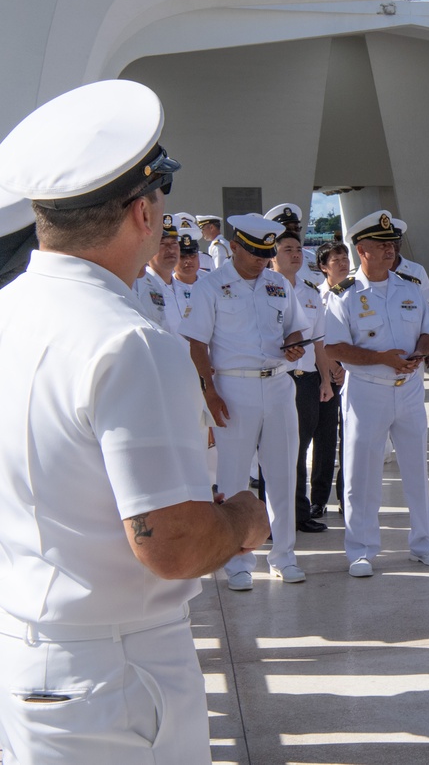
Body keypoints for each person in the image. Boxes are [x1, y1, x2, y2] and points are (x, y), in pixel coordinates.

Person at [0, 79, 269, 764]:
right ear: (143, 214)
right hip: (117, 674)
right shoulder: (128, 341)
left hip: (27, 659)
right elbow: (171, 544)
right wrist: (242, 519)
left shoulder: (12, 313)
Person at [181, 213, 309, 591]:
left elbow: (294, 327)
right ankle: (237, 561)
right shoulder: (211, 286)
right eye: (253, 252)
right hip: (233, 389)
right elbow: (195, 343)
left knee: (284, 473)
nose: (260, 259)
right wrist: (208, 390)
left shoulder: (277, 285)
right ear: (234, 247)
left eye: (265, 252)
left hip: (279, 386)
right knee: (234, 477)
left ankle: (284, 555)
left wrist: (295, 346)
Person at [325, 209, 429, 577]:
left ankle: (423, 543)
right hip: (367, 391)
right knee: (361, 473)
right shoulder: (343, 295)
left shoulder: (408, 286)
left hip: (409, 389)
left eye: (392, 244)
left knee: (416, 468)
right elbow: (335, 347)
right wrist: (380, 359)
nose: (390, 250)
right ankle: (361, 550)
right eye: (381, 245)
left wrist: (421, 354)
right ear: (362, 250)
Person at [271, 231, 336, 533]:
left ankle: (299, 513)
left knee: (301, 448)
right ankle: (271, 518)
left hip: (307, 380)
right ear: (273, 256)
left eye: (298, 249)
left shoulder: (311, 293)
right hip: (276, 379)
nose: (295, 255)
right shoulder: (266, 290)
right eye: (287, 250)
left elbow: (319, 343)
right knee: (273, 451)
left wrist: (325, 380)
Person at [312, 241, 350, 517]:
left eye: (345, 257)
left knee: (350, 439)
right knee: (325, 440)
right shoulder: (314, 296)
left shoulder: (360, 293)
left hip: (354, 373)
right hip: (325, 374)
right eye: (335, 259)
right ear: (324, 267)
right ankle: (318, 498)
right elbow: (315, 337)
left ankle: (347, 496)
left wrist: (346, 366)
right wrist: (332, 367)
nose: (343, 262)